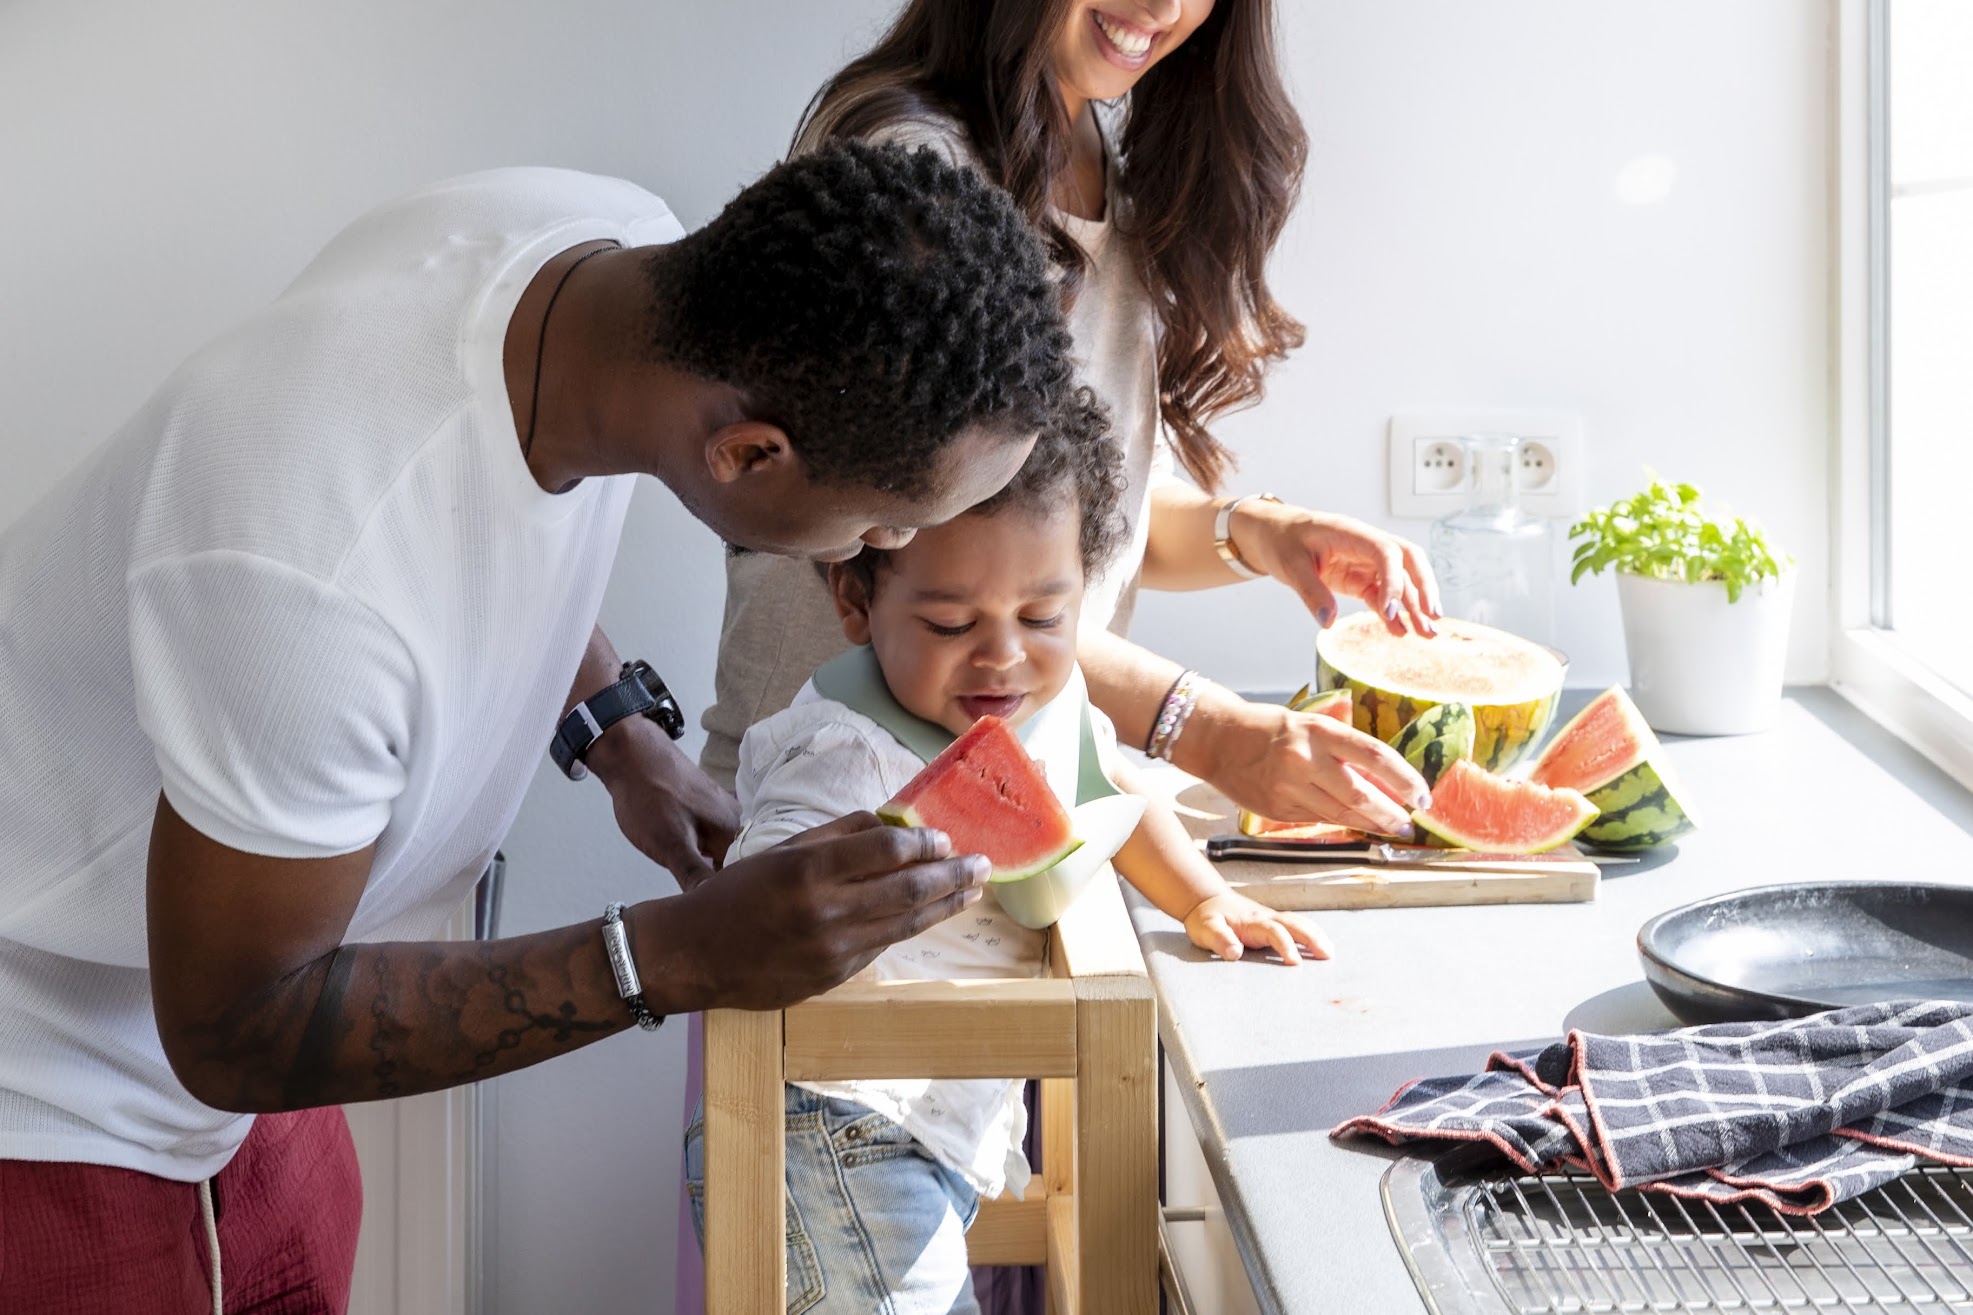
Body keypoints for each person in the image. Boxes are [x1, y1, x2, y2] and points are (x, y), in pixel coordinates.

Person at [0, 143, 1084, 1312]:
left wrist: (626, 741)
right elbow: (232, 1026)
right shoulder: (302, 581)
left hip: (253, 1021)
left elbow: (481, 525)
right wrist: (676, 952)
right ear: (748, 454)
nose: (864, 556)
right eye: (879, 524)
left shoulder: (595, 257)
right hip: (64, 1079)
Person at [701, 0, 1444, 846]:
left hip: (1003, 808)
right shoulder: (916, 173)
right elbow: (967, 568)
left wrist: (1256, 532)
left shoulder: (1096, 157)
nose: (1162, 8)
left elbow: (1070, 528)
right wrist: (1208, 732)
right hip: (831, 816)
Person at [685, 407, 1327, 1315]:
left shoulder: (1038, 710)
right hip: (828, 1130)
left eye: (1042, 615)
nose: (1002, 653)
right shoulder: (846, 753)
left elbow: (1109, 795)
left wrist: (1204, 899)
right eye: (950, 622)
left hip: (927, 1133)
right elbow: (758, 899)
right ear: (854, 604)